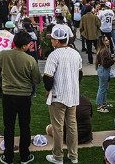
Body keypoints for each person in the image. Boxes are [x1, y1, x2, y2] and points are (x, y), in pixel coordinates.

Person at [0, 31, 40, 164]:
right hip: (24, 96)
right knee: (24, 126)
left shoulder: (3, 54)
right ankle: (24, 156)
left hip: (8, 95)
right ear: (26, 46)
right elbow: (37, 79)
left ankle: (8, 156)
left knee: (8, 126)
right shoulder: (30, 59)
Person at [43, 26, 81, 164]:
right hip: (73, 94)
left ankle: (58, 156)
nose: (51, 41)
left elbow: (47, 78)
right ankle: (73, 155)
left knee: (58, 127)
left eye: (53, 39)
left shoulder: (54, 55)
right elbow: (80, 74)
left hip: (58, 95)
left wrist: (48, 90)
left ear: (58, 41)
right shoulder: (75, 53)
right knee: (72, 125)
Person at [0, 21, 15, 98]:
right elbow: (13, 47)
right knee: (5, 75)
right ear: (10, 28)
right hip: (5, 58)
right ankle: (4, 90)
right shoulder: (12, 36)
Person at [95, 34, 115, 113]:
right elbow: (106, 63)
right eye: (106, 40)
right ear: (103, 42)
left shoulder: (101, 49)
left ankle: (103, 103)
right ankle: (100, 106)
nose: (108, 41)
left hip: (101, 69)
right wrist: (114, 60)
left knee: (104, 88)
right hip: (103, 70)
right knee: (102, 88)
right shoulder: (105, 50)